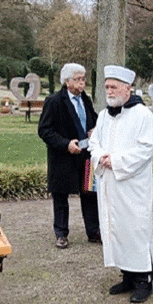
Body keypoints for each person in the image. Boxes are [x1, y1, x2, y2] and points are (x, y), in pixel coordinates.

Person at [88, 65, 153, 303]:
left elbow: (146, 149)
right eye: (106, 86)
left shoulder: (143, 115)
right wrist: (100, 156)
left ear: (127, 89)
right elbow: (93, 142)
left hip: (132, 185)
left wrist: (115, 160)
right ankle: (127, 275)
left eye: (113, 86)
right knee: (115, 229)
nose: (109, 91)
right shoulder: (104, 115)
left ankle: (143, 280)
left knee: (135, 230)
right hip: (110, 185)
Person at [38, 63, 100, 249]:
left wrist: (95, 130)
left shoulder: (85, 99)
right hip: (63, 157)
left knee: (89, 193)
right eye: (78, 79)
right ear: (67, 81)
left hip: (86, 155)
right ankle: (61, 234)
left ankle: (94, 231)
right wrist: (66, 144)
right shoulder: (54, 101)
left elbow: (94, 120)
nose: (82, 83)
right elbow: (44, 130)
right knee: (61, 197)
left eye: (83, 79)